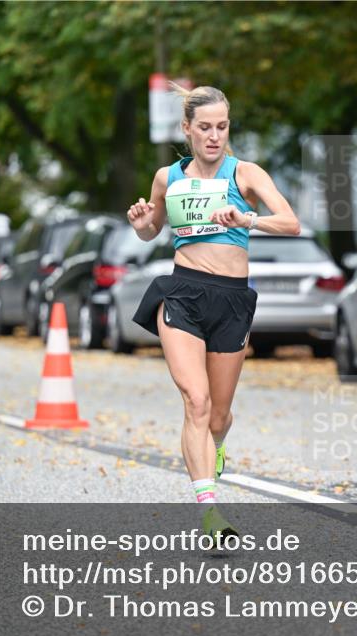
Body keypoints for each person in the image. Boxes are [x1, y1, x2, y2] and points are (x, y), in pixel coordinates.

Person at [126, 85, 300, 540]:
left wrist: (248, 219)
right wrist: (142, 221)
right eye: (204, 127)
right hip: (181, 293)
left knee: (218, 416)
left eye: (222, 126)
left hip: (231, 299)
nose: (214, 135)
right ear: (187, 129)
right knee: (196, 401)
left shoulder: (245, 174)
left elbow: (291, 222)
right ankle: (210, 513)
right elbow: (151, 231)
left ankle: (214, 449)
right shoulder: (168, 177)